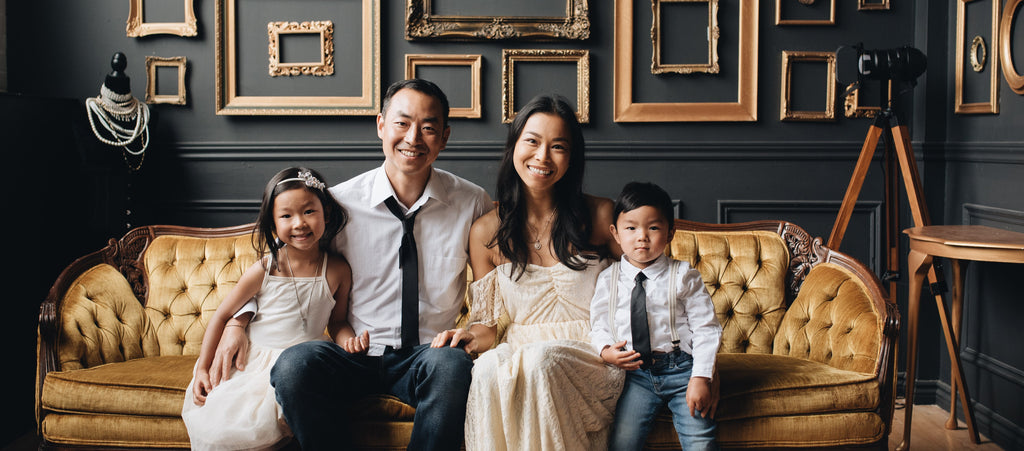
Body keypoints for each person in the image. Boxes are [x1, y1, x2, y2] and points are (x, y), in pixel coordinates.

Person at [212, 79, 493, 451]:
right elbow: (279, 269)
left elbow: (491, 292)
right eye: (402, 123)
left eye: (428, 127)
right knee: (294, 366)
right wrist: (236, 320)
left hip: (428, 355)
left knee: (453, 366)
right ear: (380, 125)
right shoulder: (337, 205)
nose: (414, 138)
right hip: (354, 353)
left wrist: (475, 331)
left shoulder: (472, 203)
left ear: (444, 136)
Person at [431, 94, 624, 451]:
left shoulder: (599, 216)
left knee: (541, 360)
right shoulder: (486, 232)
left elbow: (652, 281)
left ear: (572, 157)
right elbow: (487, 327)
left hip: (592, 355)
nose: (542, 157)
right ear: (514, 146)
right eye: (532, 141)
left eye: (558, 147)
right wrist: (469, 338)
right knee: (490, 369)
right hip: (522, 353)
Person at [182, 167, 352, 450]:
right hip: (256, 363)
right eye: (286, 216)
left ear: (327, 213)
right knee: (243, 429)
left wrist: (349, 342)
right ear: (273, 224)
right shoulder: (265, 269)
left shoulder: (337, 270)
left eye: (309, 211)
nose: (299, 223)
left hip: (306, 361)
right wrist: (202, 367)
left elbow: (338, 321)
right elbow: (223, 315)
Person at [589, 181, 723, 451]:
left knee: (700, 441)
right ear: (615, 233)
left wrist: (701, 377)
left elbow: (707, 328)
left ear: (670, 232)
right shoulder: (608, 278)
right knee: (623, 442)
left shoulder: (684, 275)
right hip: (636, 375)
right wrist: (605, 350)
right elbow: (598, 324)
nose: (642, 237)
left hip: (682, 369)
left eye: (653, 227)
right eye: (631, 228)